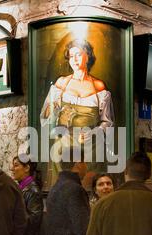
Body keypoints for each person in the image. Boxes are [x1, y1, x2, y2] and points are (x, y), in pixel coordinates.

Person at [40, 39, 115, 187]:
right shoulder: (61, 84)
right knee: (64, 185)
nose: (74, 59)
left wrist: (94, 132)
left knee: (89, 185)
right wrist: (56, 112)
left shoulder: (99, 87)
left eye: (78, 54)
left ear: (87, 56)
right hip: (64, 144)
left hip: (91, 146)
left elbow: (108, 121)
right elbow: (46, 116)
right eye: (71, 55)